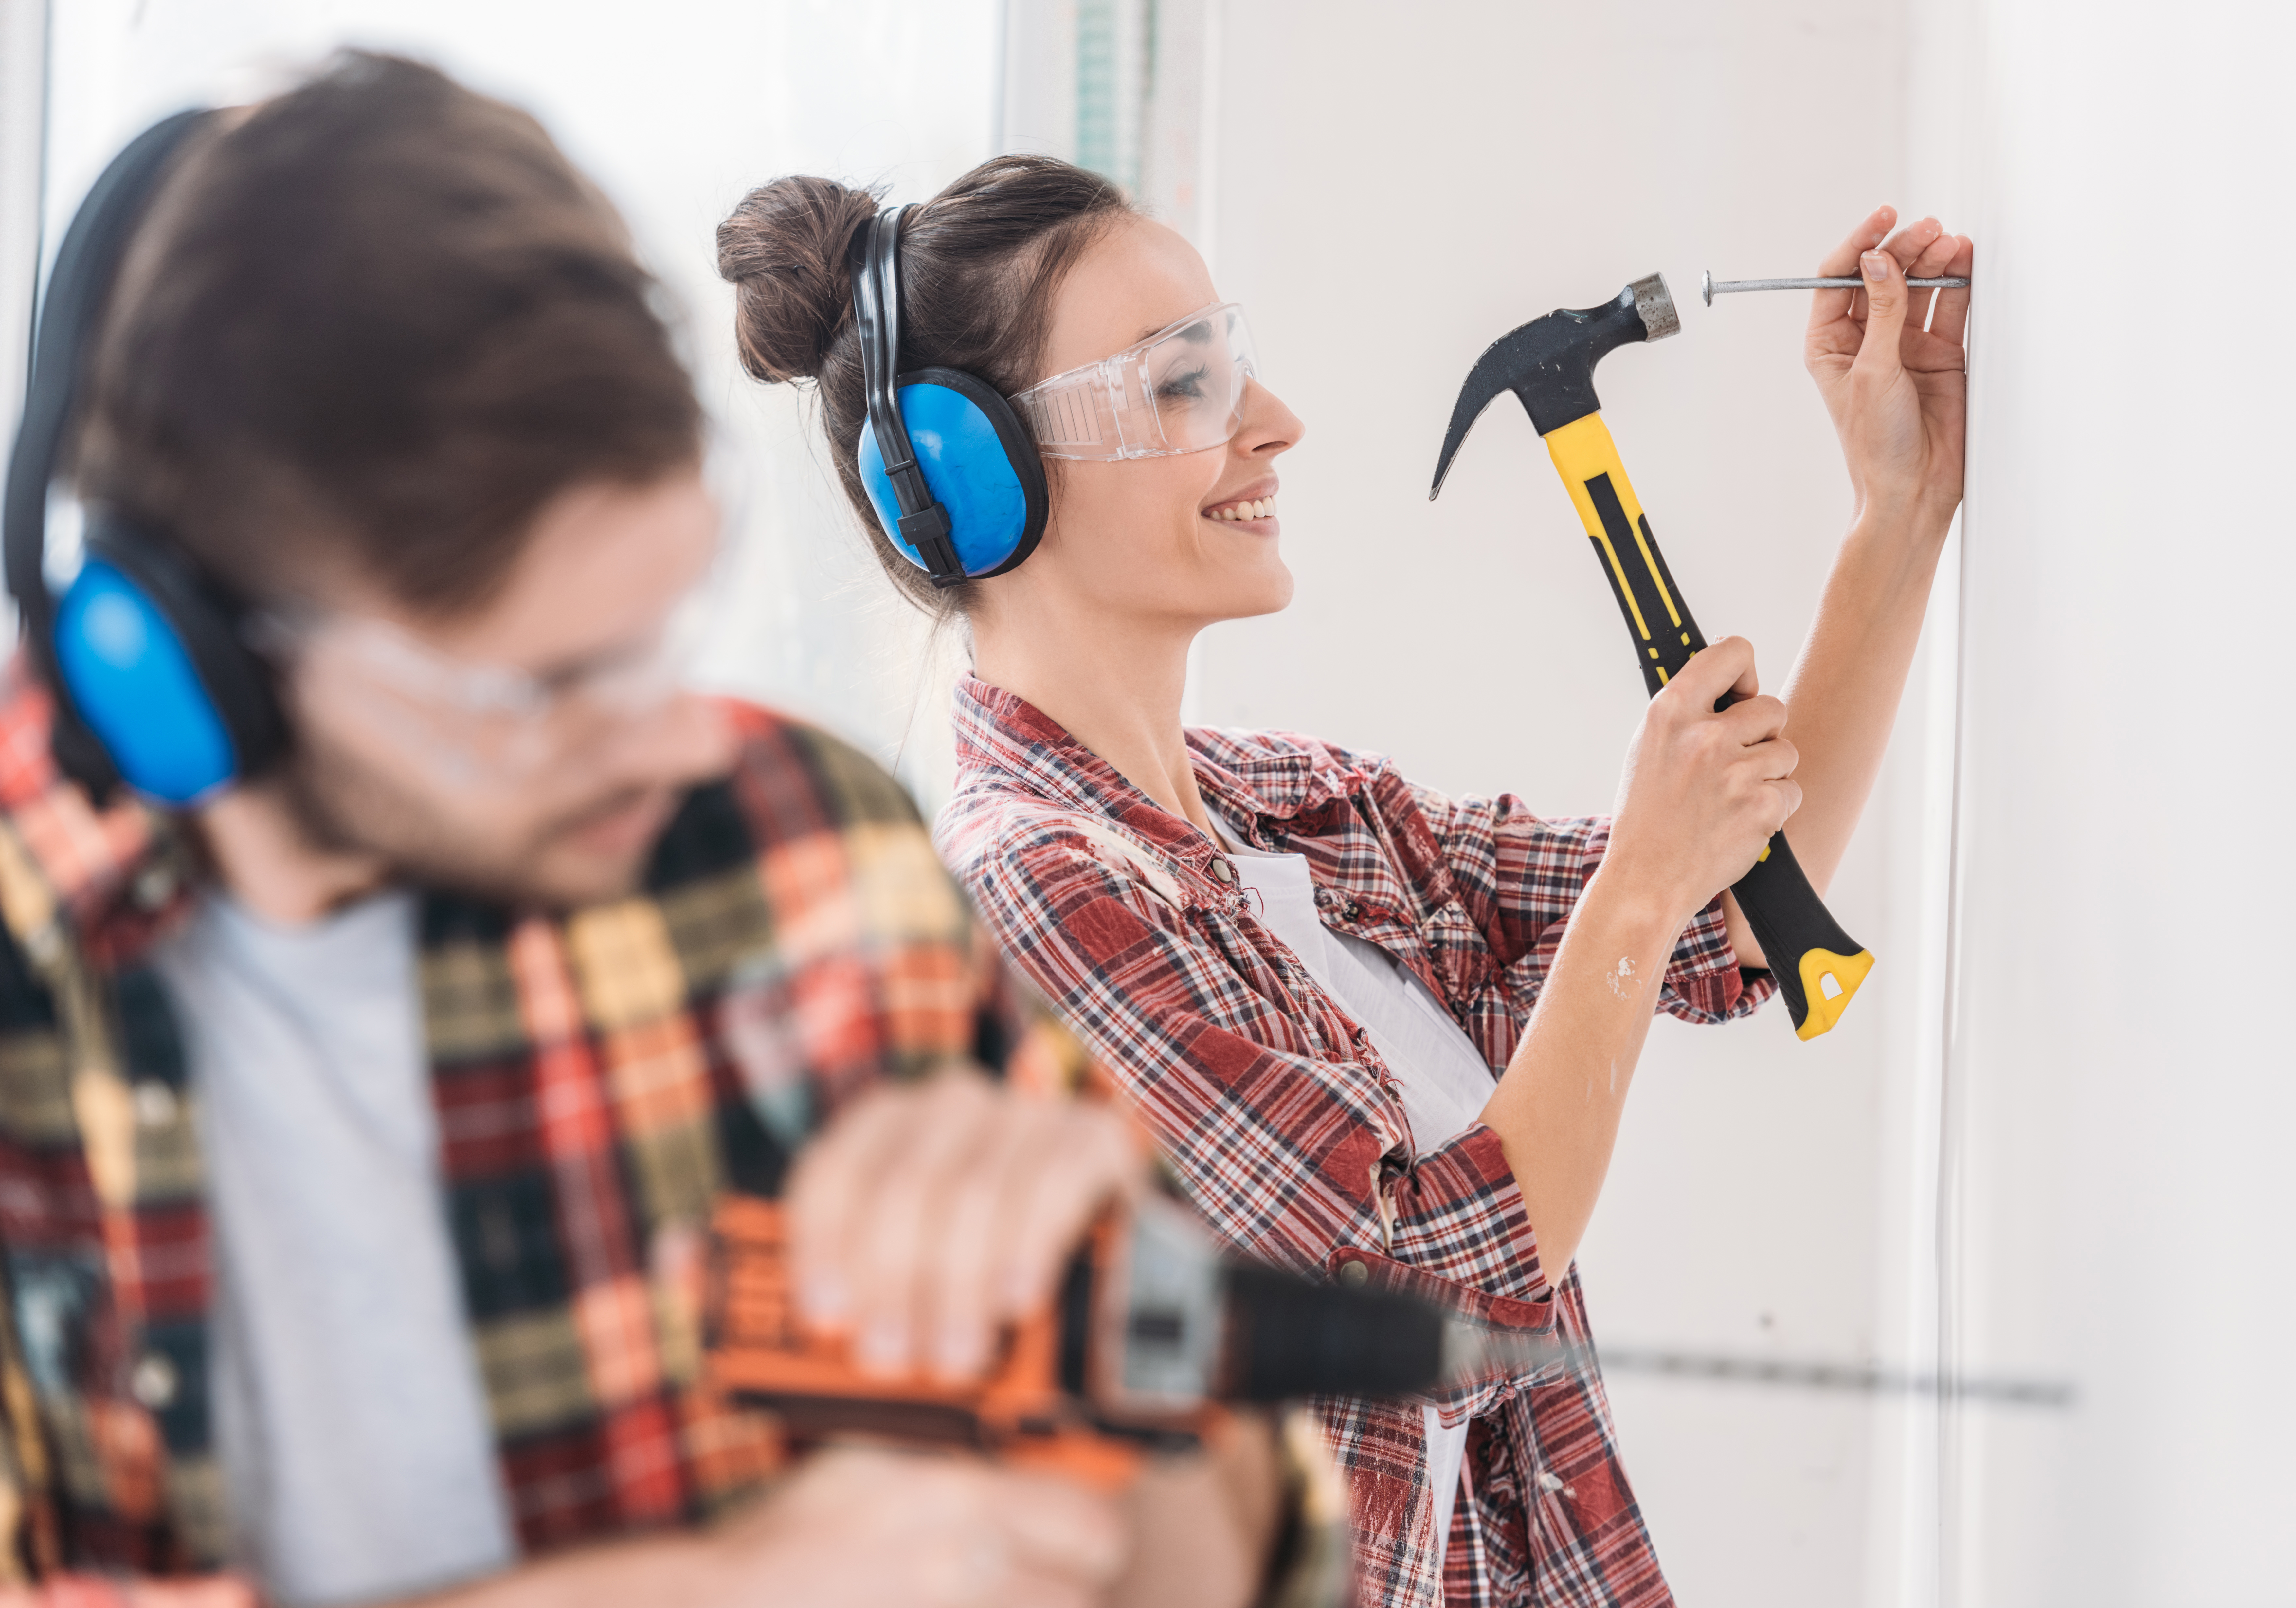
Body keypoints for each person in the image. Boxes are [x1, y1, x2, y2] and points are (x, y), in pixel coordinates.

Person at [0, 58, 1291, 1608]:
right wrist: (734, 1582)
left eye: (667, 623)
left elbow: (1235, 1558)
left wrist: (1135, 1408)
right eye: (555, 686)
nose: (681, 740)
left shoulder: (786, 853)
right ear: (197, 668)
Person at [717, 155, 1969, 1607]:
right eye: (1180, 386)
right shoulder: (1022, 912)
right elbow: (1440, 1294)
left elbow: (1743, 900)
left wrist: (1900, 508)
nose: (1274, 423)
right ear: (971, 478)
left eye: (1229, 362)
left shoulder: (1285, 814)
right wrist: (1642, 875)